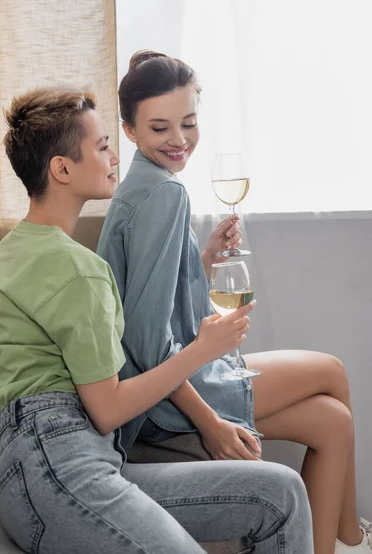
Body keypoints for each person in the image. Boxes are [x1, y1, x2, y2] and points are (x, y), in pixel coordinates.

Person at [0, 86, 313, 554]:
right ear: (61, 168)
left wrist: (201, 262)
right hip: (58, 462)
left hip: (59, 462)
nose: (114, 156)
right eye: (100, 146)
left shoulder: (13, 249)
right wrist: (202, 350)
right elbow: (109, 408)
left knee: (281, 493)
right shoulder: (78, 269)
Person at [97, 51, 372, 554]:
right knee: (331, 370)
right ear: (130, 130)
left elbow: (152, 303)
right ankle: (350, 538)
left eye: (189, 122)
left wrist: (204, 257)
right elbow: (146, 342)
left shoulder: (143, 187)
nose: (179, 140)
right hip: (166, 398)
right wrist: (212, 424)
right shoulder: (164, 195)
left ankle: (345, 539)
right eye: (160, 128)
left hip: (169, 381)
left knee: (333, 421)